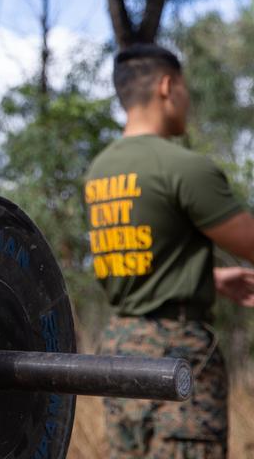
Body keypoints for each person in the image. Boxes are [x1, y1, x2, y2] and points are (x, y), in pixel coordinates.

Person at [86, 44, 254, 458]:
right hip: (177, 353)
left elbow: (135, 261)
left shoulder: (99, 172)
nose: (188, 101)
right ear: (167, 86)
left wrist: (208, 279)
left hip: (119, 351)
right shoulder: (183, 168)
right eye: (185, 88)